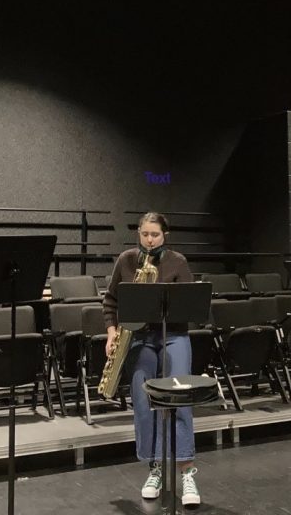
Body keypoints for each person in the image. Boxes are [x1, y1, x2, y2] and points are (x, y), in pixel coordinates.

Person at [103, 212, 201, 507]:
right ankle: (155, 468)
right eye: (144, 234)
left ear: (164, 235)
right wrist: (110, 332)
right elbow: (111, 301)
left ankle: (187, 472)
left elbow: (191, 304)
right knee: (144, 402)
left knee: (179, 398)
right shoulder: (126, 260)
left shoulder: (177, 262)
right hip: (140, 338)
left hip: (174, 335)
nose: (149, 240)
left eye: (154, 235)